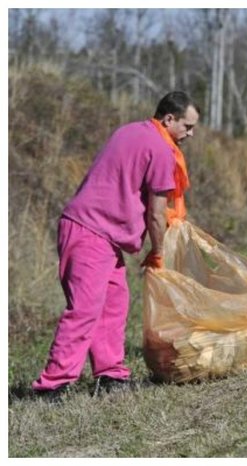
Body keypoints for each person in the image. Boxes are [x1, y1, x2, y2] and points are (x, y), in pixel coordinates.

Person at [32, 91, 200, 401]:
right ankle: (52, 385)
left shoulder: (130, 130)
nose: (189, 134)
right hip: (90, 231)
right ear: (169, 119)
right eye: (187, 127)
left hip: (98, 233)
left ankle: (110, 375)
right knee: (85, 310)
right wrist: (160, 252)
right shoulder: (162, 150)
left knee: (114, 304)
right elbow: (156, 213)